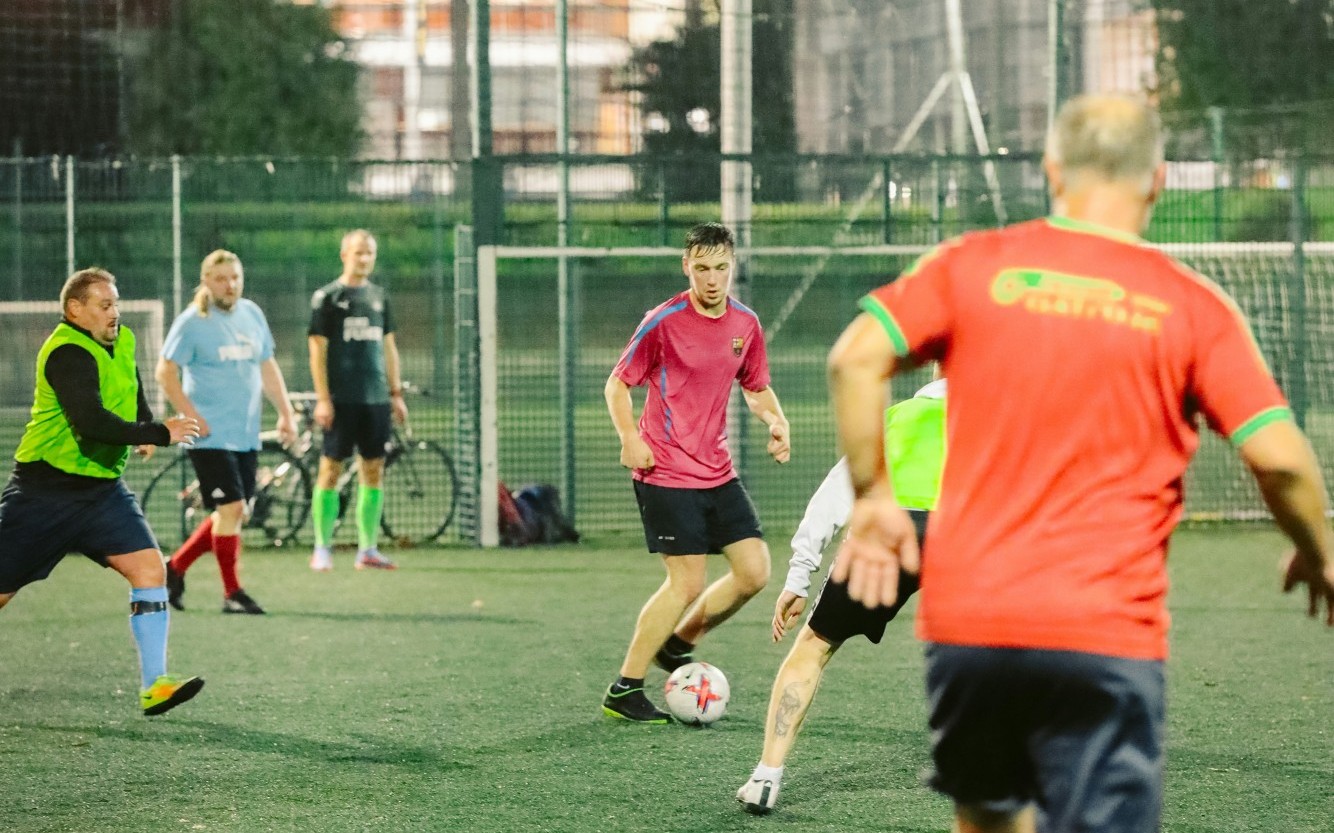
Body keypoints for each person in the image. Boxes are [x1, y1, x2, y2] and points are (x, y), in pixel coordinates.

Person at [827, 93, 1334, 833]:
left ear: (1050, 171)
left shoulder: (973, 266)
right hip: (1102, 633)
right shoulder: (1192, 306)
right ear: (1157, 180)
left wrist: (873, 496)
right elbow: (1281, 461)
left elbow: (853, 359)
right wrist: (1316, 548)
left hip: (970, 627)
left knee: (989, 818)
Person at [601, 221, 792, 723]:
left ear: (733, 266)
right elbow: (617, 385)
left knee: (754, 572)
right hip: (665, 469)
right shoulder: (662, 321)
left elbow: (755, 387)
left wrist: (776, 419)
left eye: (721, 268)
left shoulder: (745, 325)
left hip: (717, 470)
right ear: (686, 266)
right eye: (702, 268)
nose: (712, 279)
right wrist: (629, 438)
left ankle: (679, 643)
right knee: (685, 584)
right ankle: (625, 689)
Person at [0, 267, 206, 716]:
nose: (115, 313)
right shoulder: (66, 353)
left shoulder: (122, 339)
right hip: (44, 493)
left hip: (101, 492)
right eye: (105, 305)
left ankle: (155, 686)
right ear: (75, 310)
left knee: (151, 571)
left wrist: (145, 426)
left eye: (116, 304)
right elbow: (90, 421)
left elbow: (130, 388)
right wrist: (157, 431)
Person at [736, 378, 944, 814]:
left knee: (813, 647)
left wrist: (798, 575)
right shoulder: (996, 420)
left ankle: (766, 778)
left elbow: (833, 496)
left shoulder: (897, 416)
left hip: (887, 533)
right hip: (961, 535)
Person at [155, 250, 298, 615]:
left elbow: (267, 366)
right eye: (221, 278)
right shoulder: (192, 322)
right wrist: (191, 416)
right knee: (232, 507)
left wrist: (285, 414)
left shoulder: (252, 314)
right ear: (206, 281)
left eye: (235, 277)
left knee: (234, 513)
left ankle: (174, 569)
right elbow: (165, 373)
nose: (229, 284)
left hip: (245, 433)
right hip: (208, 436)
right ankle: (232, 593)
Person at [307, 229, 408, 572]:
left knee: (374, 469)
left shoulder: (380, 297)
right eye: (358, 252)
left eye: (369, 253)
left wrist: (395, 394)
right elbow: (317, 350)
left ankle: (368, 549)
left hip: (375, 400)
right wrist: (323, 399)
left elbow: (389, 347)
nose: (364, 259)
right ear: (344, 255)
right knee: (330, 470)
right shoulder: (327, 298)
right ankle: (322, 547)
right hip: (340, 400)